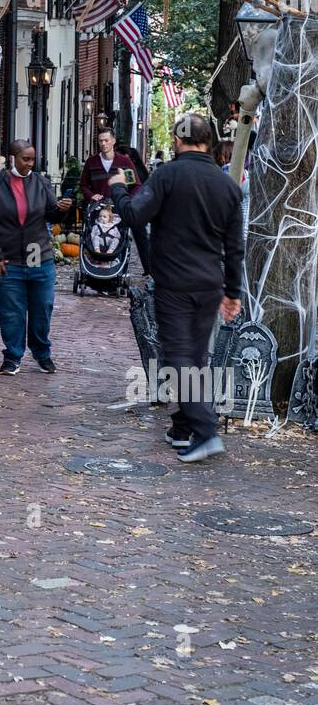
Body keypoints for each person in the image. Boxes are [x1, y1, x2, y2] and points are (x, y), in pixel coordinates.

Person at [108, 111, 243, 463]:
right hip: (210, 283)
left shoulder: (167, 175)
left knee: (179, 356)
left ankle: (206, 430)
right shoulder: (228, 185)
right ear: (208, 141)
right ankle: (184, 428)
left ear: (178, 141)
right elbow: (235, 246)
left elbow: (135, 216)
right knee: (196, 357)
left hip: (174, 283)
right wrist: (233, 292)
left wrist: (118, 188)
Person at [0, 140, 73, 376]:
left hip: (37, 254)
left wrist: (62, 208)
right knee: (11, 311)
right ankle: (12, 356)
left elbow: (52, 216)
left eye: (32, 159)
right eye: (25, 159)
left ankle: (42, 353)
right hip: (6, 259)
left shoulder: (41, 182)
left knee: (42, 307)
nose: (30, 164)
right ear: (12, 158)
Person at [79, 128, 151, 274]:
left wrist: (127, 201)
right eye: (101, 141)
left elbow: (136, 185)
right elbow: (83, 185)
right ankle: (95, 268)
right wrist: (91, 195)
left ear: (113, 141)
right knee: (96, 237)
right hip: (98, 210)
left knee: (119, 238)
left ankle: (123, 270)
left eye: (106, 140)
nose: (103, 144)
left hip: (119, 210)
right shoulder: (92, 162)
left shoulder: (124, 162)